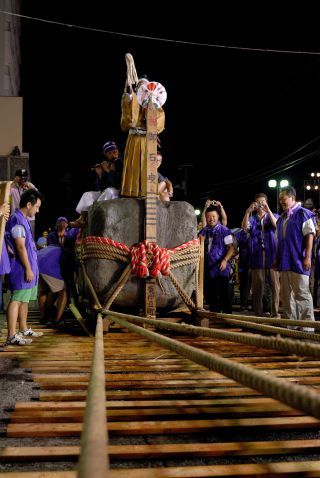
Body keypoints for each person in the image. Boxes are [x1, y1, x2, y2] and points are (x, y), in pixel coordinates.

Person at [5, 189, 44, 346]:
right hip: (21, 268)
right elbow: (20, 247)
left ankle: (23, 329)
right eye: (37, 206)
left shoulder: (24, 220)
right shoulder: (17, 220)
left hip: (29, 267)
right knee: (17, 300)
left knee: (25, 300)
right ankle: (12, 335)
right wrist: (28, 268)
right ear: (29, 204)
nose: (37, 210)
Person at [276, 186, 316, 330]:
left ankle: (307, 326)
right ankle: (290, 324)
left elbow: (310, 235)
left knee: (302, 293)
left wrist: (307, 257)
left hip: (298, 260)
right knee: (287, 295)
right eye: (280, 199)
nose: (281, 201)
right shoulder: (281, 218)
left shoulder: (303, 213)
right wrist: (276, 259)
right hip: (284, 262)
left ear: (292, 198)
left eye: (283, 198)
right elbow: (279, 241)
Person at [120, 78, 165, 197]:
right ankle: (131, 191)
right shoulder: (133, 99)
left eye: (145, 86)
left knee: (148, 165)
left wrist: (151, 102)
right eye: (140, 86)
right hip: (134, 138)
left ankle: (148, 191)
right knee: (132, 164)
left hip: (148, 140)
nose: (143, 88)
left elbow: (158, 125)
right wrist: (129, 96)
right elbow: (128, 121)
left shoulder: (155, 102)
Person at [241, 193, 280, 318]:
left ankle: (275, 312)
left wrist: (268, 209)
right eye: (258, 202)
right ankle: (258, 312)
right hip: (256, 255)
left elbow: (277, 225)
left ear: (267, 202)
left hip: (272, 254)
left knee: (275, 285)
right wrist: (247, 212)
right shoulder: (252, 218)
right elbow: (244, 228)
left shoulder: (273, 216)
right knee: (257, 286)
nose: (261, 205)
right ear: (255, 204)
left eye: (263, 202)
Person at [70, 141, 122, 228]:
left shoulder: (123, 162)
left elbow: (117, 183)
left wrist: (110, 171)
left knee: (109, 191)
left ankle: (95, 216)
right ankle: (82, 218)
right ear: (105, 154)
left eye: (114, 151)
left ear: (117, 151)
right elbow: (100, 188)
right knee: (87, 195)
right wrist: (100, 175)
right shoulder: (105, 164)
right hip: (106, 193)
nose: (113, 155)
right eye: (109, 153)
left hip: (118, 191)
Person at [199, 205, 235, 313]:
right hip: (207, 267)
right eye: (209, 217)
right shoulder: (203, 231)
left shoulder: (225, 230)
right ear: (206, 217)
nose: (211, 219)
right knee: (211, 295)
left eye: (213, 216)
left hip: (221, 266)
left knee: (224, 294)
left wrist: (225, 260)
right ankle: (214, 318)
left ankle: (228, 319)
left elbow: (231, 248)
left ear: (218, 216)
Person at [10, 169, 38, 237]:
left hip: (29, 218)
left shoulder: (30, 186)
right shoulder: (12, 187)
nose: (23, 179)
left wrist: (29, 187)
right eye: (21, 177)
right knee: (17, 237)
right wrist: (14, 182)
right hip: (16, 217)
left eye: (24, 177)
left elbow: (38, 195)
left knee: (30, 237)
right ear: (17, 177)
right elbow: (5, 192)